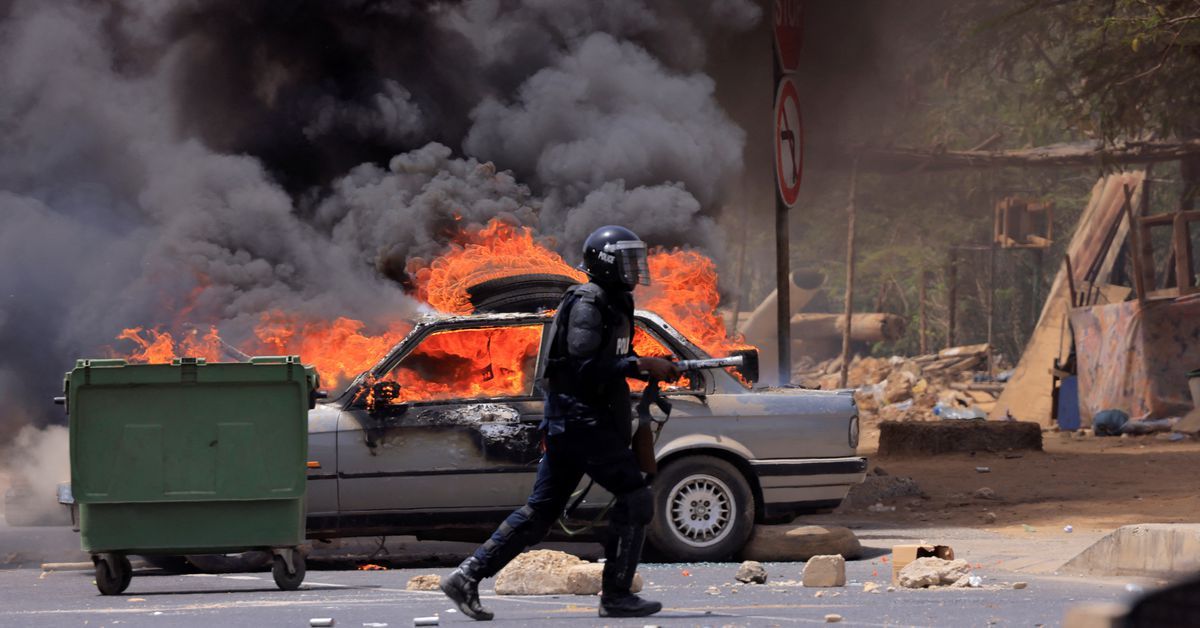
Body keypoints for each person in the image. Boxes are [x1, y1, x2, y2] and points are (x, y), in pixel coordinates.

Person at [440, 225, 679, 620]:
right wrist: (639, 365)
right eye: (627, 260)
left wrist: (654, 368)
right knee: (636, 498)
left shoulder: (616, 302)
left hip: (578, 423)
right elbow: (584, 364)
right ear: (606, 263)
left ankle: (466, 576)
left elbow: (613, 355)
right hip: (580, 421)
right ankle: (616, 596)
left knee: (540, 513)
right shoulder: (588, 300)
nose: (635, 269)